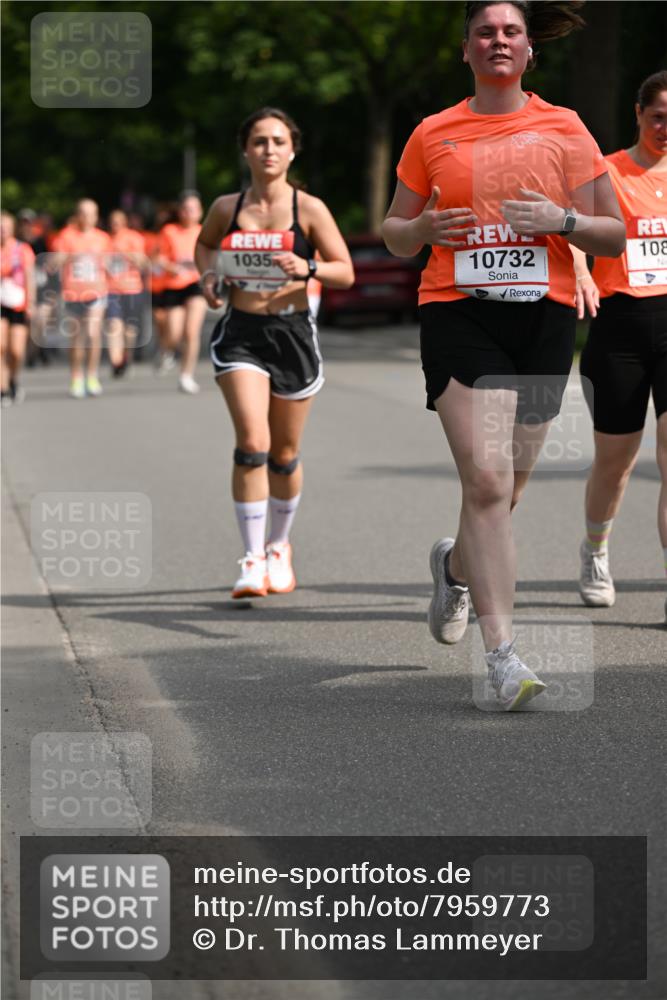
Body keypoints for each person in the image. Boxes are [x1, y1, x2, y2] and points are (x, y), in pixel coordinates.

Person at [382, 0, 625, 710]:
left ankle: (454, 567)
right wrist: (422, 224)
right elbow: (394, 231)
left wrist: (564, 221)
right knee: (486, 484)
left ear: (528, 50)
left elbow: (610, 236)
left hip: (541, 322)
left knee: (505, 491)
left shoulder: (564, 128)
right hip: (457, 314)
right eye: (484, 32)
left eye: (510, 31)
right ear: (465, 50)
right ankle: (503, 659)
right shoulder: (434, 132)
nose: (497, 41)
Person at [195, 107, 353, 598]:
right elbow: (204, 246)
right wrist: (208, 278)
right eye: (259, 141)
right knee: (252, 445)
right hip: (242, 332)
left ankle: (280, 546)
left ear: (292, 150)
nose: (268, 149)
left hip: (292, 336)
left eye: (278, 141)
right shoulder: (228, 206)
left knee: (283, 456)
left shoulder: (309, 209)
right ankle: (251, 558)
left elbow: (344, 270)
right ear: (245, 149)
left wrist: (307, 267)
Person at [571, 70, 667, 622]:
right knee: (617, 462)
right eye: (657, 116)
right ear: (638, 113)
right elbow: (578, 231)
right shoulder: (607, 170)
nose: (665, 128)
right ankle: (596, 551)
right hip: (620, 325)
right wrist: (583, 272)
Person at [53, 199, 111, 398]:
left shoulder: (103, 238)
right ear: (77, 215)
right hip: (73, 292)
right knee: (77, 337)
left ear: (96, 216)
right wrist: (71, 256)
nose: (87, 217)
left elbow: (111, 263)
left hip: (97, 292)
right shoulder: (66, 236)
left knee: (93, 334)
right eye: (83, 213)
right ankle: (76, 376)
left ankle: (92, 376)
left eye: (91, 213)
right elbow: (55, 262)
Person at [157, 192, 207, 394]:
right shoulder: (169, 231)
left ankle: (186, 375)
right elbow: (158, 259)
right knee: (174, 333)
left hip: (195, 284)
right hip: (173, 285)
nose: (189, 213)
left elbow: (212, 257)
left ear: (200, 211)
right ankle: (167, 350)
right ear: (180, 211)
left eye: (193, 209)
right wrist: (171, 267)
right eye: (185, 209)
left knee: (191, 331)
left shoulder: (204, 232)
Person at [106, 210, 147, 377]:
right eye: (112, 221)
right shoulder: (105, 239)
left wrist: (124, 252)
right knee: (113, 325)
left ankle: (126, 357)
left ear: (124, 222)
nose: (115, 224)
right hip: (111, 289)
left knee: (130, 329)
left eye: (118, 221)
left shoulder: (133, 238)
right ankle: (115, 361)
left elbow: (143, 262)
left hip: (132, 288)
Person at [0, 211, 35, 405]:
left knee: (16, 351)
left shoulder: (22, 249)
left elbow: (30, 277)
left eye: (5, 227)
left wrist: (31, 303)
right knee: (1, 347)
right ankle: (2, 389)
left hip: (18, 303)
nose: (2, 231)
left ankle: (13, 379)